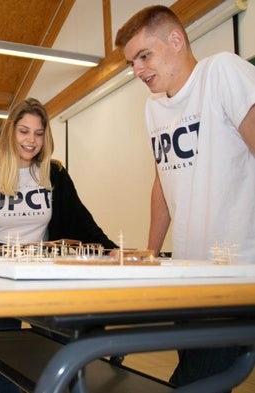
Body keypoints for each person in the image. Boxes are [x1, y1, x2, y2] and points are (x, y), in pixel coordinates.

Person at [115, 4, 255, 390]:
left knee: (195, 382)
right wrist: (151, 251)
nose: (138, 71)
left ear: (176, 39)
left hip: (235, 274)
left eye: (144, 56)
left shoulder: (221, 72)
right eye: (131, 63)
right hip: (188, 273)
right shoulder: (153, 108)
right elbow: (163, 182)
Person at [0, 97, 117, 393]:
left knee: (56, 347)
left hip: (43, 274)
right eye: (24, 131)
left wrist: (110, 248)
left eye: (39, 133)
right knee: (7, 355)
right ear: (10, 133)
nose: (31, 140)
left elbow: (81, 220)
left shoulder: (54, 174)